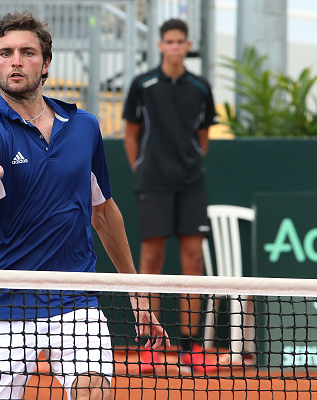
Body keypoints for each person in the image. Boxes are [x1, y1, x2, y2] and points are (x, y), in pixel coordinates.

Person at [0, 11, 169, 400]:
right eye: (5, 54)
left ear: (46, 63)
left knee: (95, 393)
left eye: (27, 52)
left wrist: (136, 292)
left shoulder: (84, 126)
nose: (16, 61)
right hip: (3, 304)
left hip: (76, 301)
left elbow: (103, 212)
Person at [122, 18, 218, 372]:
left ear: (187, 45)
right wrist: (143, 170)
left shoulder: (201, 87)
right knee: (151, 261)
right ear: (161, 46)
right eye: (170, 42)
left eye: (181, 42)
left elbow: (203, 137)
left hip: (191, 183)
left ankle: (191, 346)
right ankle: (150, 345)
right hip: (153, 183)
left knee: (193, 261)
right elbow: (131, 135)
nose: (176, 47)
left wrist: (189, 164)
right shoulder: (142, 85)